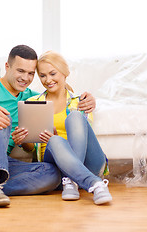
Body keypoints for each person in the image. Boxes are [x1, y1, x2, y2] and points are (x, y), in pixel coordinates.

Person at [0, 45, 96, 208]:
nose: (25, 78)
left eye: (31, 73)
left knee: (51, 174)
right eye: (20, 71)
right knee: (0, 115)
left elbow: (56, 93)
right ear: (7, 66)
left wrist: (88, 99)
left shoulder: (32, 99)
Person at [11, 50, 112, 205]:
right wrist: (23, 140)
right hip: (55, 168)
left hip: (88, 164)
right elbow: (31, 148)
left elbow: (84, 134)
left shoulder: (81, 101)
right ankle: (89, 183)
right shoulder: (34, 102)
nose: (48, 80)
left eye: (53, 74)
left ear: (65, 73)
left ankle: (72, 179)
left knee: (75, 116)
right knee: (55, 141)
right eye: (43, 76)